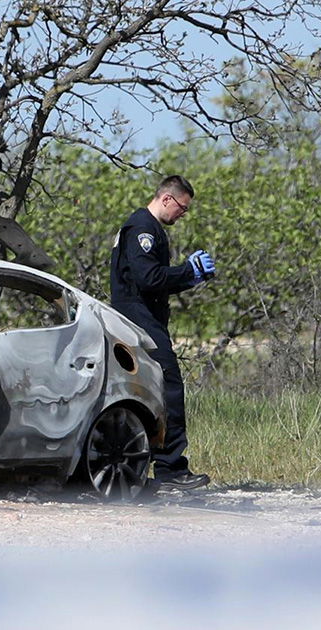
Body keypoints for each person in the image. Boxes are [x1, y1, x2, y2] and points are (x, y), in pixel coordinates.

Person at [110, 175, 215, 490]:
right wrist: (187, 269)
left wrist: (191, 279)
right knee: (169, 390)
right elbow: (147, 279)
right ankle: (171, 469)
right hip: (141, 322)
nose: (182, 215)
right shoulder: (143, 229)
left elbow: (153, 282)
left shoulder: (146, 228)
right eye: (182, 208)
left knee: (146, 393)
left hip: (143, 318)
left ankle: (140, 465)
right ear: (167, 199)